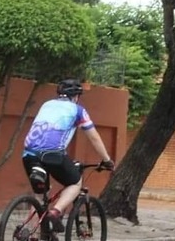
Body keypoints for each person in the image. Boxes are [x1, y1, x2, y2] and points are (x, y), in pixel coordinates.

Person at [22, 78, 114, 231]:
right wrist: (107, 160)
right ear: (77, 96)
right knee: (75, 183)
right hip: (52, 154)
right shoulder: (77, 110)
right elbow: (94, 137)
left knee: (39, 196)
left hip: (29, 153)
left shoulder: (47, 104)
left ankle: (31, 238)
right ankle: (55, 212)